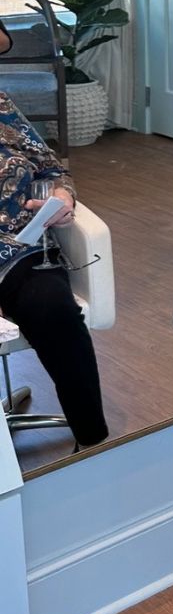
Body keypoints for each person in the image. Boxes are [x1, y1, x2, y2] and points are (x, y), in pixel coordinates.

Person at [0, 90, 107, 448]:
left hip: (20, 248)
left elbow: (52, 167)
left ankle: (93, 443)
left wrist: (63, 196)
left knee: (54, 308)